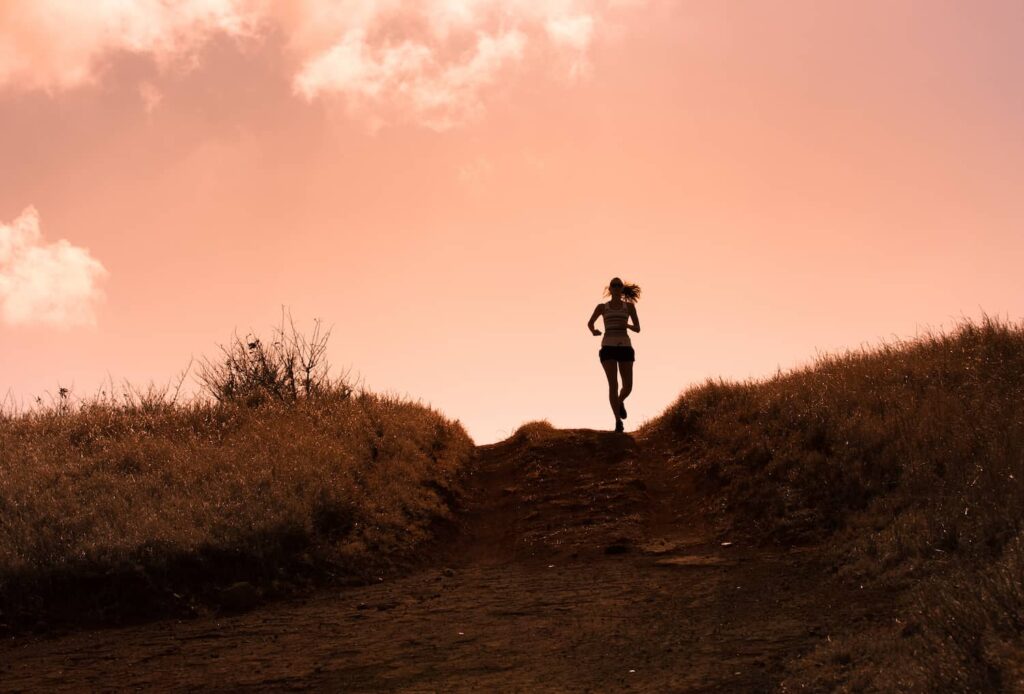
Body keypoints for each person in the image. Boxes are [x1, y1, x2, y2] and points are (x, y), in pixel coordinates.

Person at [587, 277, 641, 432]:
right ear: (610, 289)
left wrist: (628, 325)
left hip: (625, 347)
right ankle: (618, 421)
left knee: (628, 386)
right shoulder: (602, 307)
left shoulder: (629, 307)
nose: (616, 287)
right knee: (613, 384)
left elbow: (638, 328)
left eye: (619, 285)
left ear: (622, 289)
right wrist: (593, 331)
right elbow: (590, 323)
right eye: (614, 285)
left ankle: (620, 401)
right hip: (608, 347)